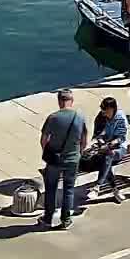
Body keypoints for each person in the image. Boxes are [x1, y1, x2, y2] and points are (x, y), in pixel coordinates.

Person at [39, 89, 86, 229]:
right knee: (69, 189)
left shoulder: (53, 118)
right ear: (71, 101)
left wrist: (47, 152)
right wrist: (79, 153)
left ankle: (48, 218)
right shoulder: (79, 117)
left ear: (59, 101)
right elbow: (84, 140)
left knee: (51, 189)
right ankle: (65, 220)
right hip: (72, 159)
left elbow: (43, 140)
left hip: (54, 160)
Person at [90, 96, 129, 204]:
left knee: (108, 155)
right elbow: (98, 134)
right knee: (106, 160)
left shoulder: (120, 118)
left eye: (105, 110)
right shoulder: (101, 117)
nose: (104, 113)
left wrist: (110, 145)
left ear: (112, 109)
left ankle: (97, 186)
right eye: (102, 110)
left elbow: (121, 137)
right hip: (104, 147)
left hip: (119, 148)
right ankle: (115, 190)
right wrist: (102, 143)